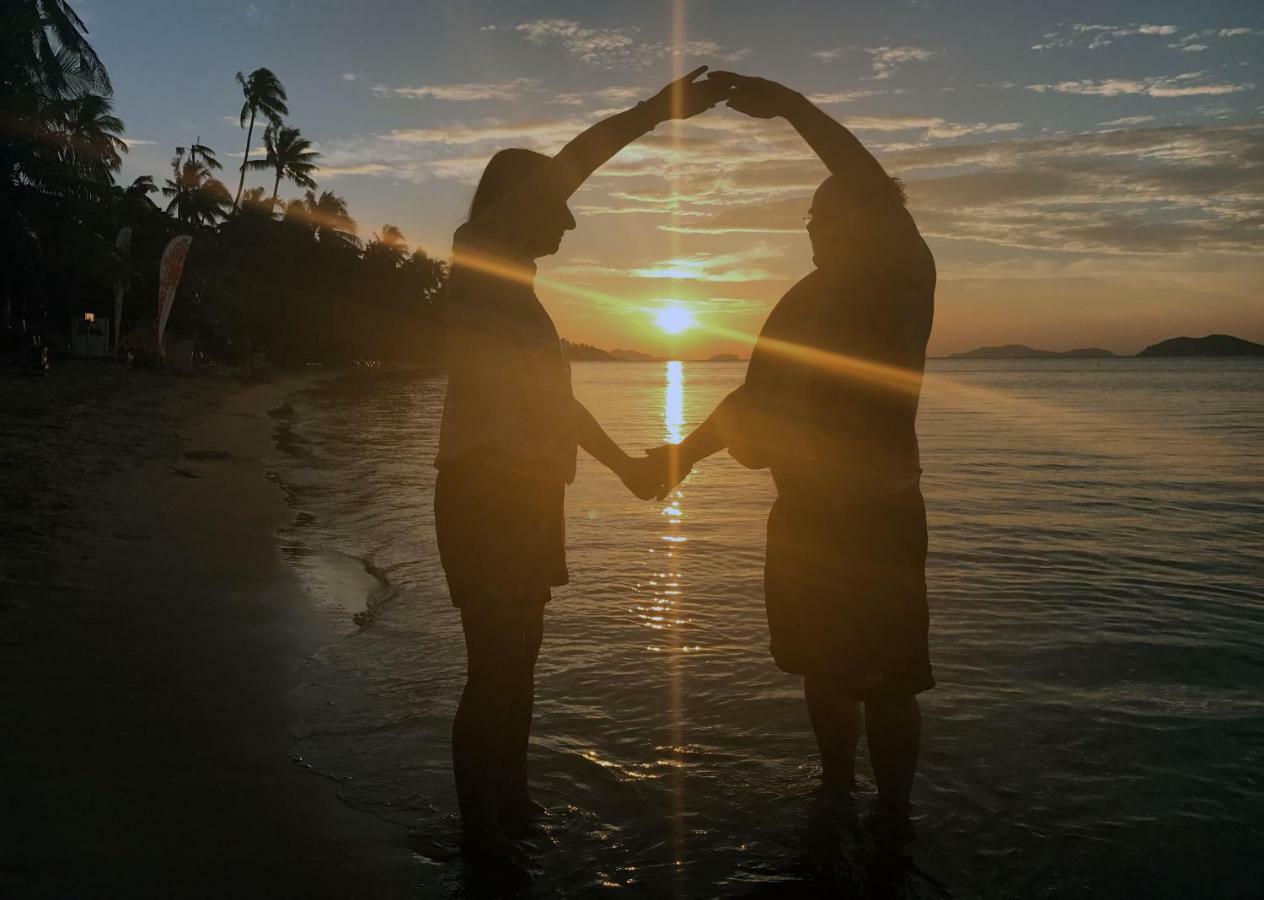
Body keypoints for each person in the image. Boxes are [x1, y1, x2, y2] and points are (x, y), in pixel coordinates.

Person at [433, 66, 727, 877]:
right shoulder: (481, 260)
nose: (569, 219)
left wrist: (631, 468)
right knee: (494, 664)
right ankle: (478, 834)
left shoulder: (521, 301)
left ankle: (513, 800)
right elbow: (576, 161)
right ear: (521, 205)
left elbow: (556, 408)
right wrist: (659, 110)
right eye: (557, 206)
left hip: (524, 495)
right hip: (486, 492)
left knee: (521, 657)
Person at [650, 71, 936, 844]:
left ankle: (896, 819)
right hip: (804, 518)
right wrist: (684, 456)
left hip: (876, 517)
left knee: (889, 681)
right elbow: (752, 402)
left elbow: (864, 179)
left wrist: (793, 108)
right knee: (823, 670)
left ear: (860, 221)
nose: (808, 229)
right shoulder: (799, 300)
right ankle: (837, 795)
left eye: (819, 215)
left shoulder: (901, 280)